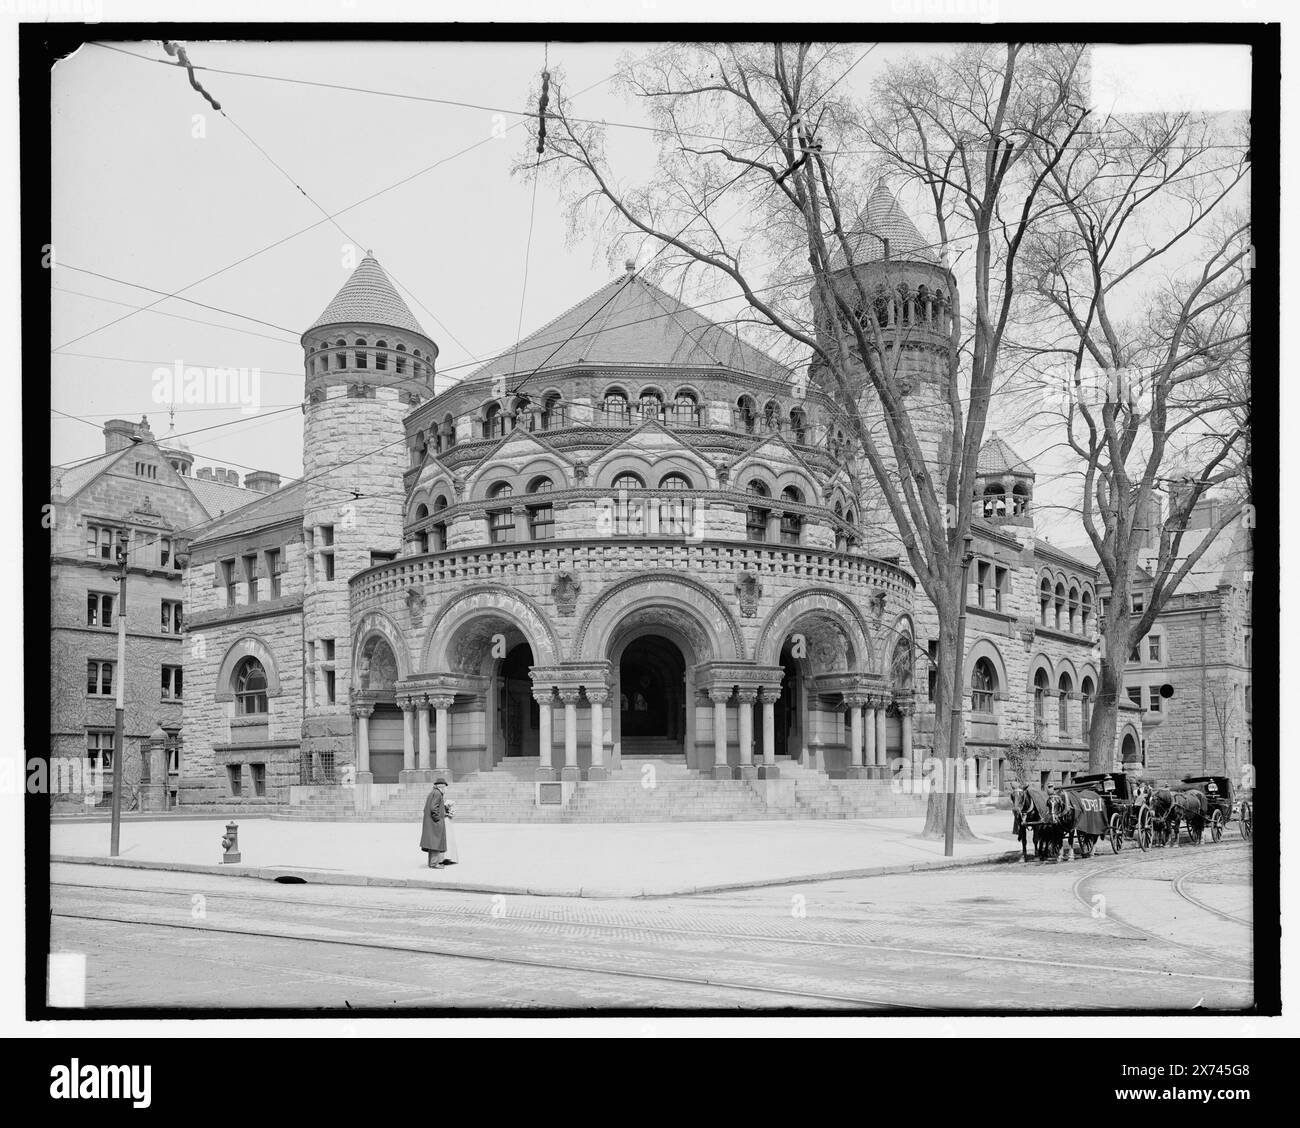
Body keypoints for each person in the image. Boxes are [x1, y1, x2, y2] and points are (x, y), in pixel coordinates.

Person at [420, 778, 449, 868]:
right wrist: (438, 819)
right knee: (436, 842)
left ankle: (432, 863)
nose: (446, 789)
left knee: (432, 843)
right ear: (442, 786)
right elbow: (434, 808)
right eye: (445, 787)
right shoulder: (437, 794)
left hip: (430, 822)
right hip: (434, 822)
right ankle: (434, 864)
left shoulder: (433, 793)